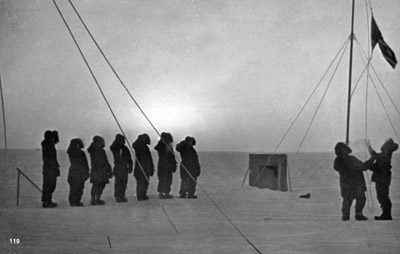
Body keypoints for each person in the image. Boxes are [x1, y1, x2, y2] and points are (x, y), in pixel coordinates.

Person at [333, 142, 374, 221]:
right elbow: (363, 167)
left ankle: (346, 216)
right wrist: (371, 160)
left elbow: (336, 168)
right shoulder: (350, 159)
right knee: (359, 198)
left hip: (345, 183)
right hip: (356, 183)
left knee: (347, 199)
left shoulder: (338, 160)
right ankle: (358, 214)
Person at [367, 138, 398, 220]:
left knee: (382, 195)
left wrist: (369, 165)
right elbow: (374, 155)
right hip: (383, 178)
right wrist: (368, 146)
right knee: (382, 195)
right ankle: (386, 213)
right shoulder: (385, 154)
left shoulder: (384, 156)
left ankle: (386, 214)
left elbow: (377, 167)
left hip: (382, 178)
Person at [88, 135, 113, 205]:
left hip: (101, 170)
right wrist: (107, 169)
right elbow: (102, 161)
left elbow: (105, 161)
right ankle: (93, 199)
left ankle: (97, 199)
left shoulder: (100, 151)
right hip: (98, 170)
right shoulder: (95, 150)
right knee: (96, 185)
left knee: (101, 185)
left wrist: (108, 169)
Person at [67, 138, 90, 207]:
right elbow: (84, 163)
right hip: (79, 172)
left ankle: (73, 201)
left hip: (72, 171)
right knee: (79, 188)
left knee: (73, 188)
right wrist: (86, 172)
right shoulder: (80, 152)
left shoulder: (71, 151)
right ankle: (76, 201)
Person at [110, 134, 133, 203]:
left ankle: (122, 195)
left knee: (124, 183)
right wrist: (116, 143)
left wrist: (130, 166)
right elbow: (112, 147)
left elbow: (129, 159)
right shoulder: (116, 148)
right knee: (118, 183)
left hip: (124, 168)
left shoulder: (125, 149)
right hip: (117, 167)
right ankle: (117, 196)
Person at [132, 134, 154, 201]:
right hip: (141, 168)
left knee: (145, 182)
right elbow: (147, 159)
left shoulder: (145, 148)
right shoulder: (140, 147)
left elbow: (149, 159)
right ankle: (140, 196)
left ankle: (143, 195)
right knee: (141, 182)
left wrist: (151, 167)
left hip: (145, 168)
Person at [41, 130, 60, 208]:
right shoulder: (49, 145)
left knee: (48, 185)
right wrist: (56, 167)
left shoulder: (46, 144)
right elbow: (52, 158)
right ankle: (47, 202)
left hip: (47, 168)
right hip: (50, 168)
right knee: (50, 185)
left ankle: (47, 200)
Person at [155, 132, 177, 199]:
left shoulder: (169, 147)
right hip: (162, 165)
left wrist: (174, 164)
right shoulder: (161, 146)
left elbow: (172, 157)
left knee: (168, 179)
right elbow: (157, 147)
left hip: (169, 165)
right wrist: (162, 142)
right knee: (162, 179)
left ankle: (167, 192)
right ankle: (161, 193)